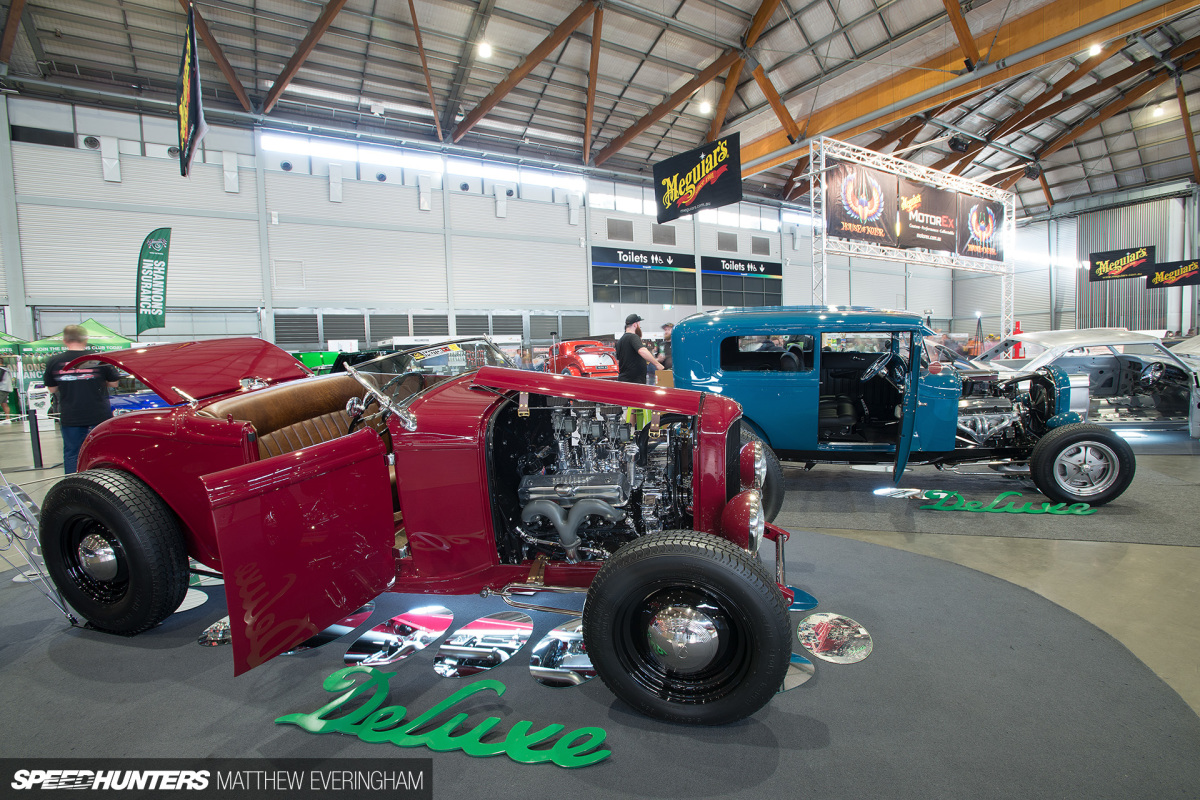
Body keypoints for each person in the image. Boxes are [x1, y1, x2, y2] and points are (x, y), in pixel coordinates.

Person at [43, 325, 120, 474]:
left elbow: (52, 389)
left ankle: (73, 486)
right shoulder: (99, 359)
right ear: (86, 339)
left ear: (65, 340)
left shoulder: (54, 361)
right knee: (104, 452)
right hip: (99, 414)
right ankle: (106, 484)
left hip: (71, 415)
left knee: (72, 453)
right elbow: (114, 383)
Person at [616, 314, 663, 383]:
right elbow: (642, 350)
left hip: (624, 380)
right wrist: (657, 364)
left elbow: (619, 361)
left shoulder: (620, 341)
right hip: (634, 381)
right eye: (639, 325)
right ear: (635, 325)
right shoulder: (633, 337)